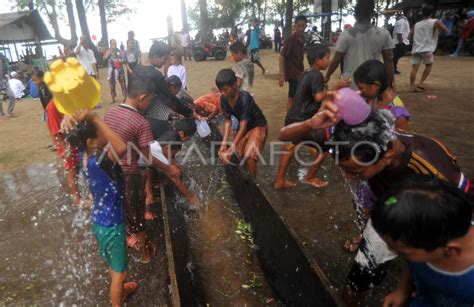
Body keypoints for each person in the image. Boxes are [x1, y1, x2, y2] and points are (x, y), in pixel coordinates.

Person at [279, 106, 473, 305]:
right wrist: (310, 123)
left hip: (426, 223)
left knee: (430, 280)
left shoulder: (434, 170)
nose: (348, 176)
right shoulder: (352, 136)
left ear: (386, 158)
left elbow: (464, 221)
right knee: (357, 281)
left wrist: (406, 287)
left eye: (356, 172)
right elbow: (285, 135)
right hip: (389, 209)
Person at [62, 109, 138, 306]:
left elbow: (73, 139)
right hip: (112, 225)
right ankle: (117, 294)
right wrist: (95, 118)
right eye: (102, 131)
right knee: (121, 272)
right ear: (91, 142)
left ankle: (120, 290)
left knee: (113, 263)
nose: (107, 132)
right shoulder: (102, 159)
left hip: (99, 222)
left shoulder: (84, 156)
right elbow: (121, 147)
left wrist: (71, 118)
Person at [104, 74, 180, 264]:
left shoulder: (111, 113)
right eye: (150, 100)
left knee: (121, 207)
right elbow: (147, 156)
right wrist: (168, 168)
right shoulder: (140, 122)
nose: (149, 105)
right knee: (137, 212)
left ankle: (130, 237)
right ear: (142, 97)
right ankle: (146, 252)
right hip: (129, 174)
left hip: (110, 171)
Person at [371, 175, 474, 307]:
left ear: (451, 250)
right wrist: (403, 291)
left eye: (403, 253)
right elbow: (412, 263)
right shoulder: (425, 242)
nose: (390, 251)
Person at [274, 44, 350, 190]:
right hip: (304, 119)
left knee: (290, 146)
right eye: (327, 57)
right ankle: (310, 177)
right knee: (326, 146)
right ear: (318, 60)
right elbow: (318, 97)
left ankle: (279, 180)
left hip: (292, 117)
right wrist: (337, 87)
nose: (329, 61)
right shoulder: (317, 75)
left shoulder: (305, 73)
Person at [325, 0, 394, 89]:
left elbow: (336, 59)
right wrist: (391, 81)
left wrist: (327, 76)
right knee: (371, 102)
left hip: (351, 82)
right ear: (372, 14)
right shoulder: (383, 33)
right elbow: (388, 60)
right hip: (373, 82)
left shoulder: (346, 34)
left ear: (355, 15)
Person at [216, 69, 267, 177]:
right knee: (238, 155)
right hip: (245, 127)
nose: (222, 93)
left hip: (258, 125)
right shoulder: (223, 98)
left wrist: (231, 148)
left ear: (234, 85)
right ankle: (243, 177)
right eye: (220, 90)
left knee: (249, 156)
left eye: (225, 89)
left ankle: (253, 183)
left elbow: (243, 126)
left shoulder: (245, 98)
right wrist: (223, 144)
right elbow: (227, 121)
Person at [133, 41, 194, 121]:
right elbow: (169, 99)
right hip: (145, 115)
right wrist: (189, 113)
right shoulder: (155, 75)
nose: (165, 62)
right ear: (156, 57)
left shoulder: (136, 68)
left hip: (133, 111)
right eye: (164, 59)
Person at [145, 119, 199, 206]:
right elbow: (175, 180)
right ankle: (149, 199)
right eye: (174, 153)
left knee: (147, 167)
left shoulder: (156, 143)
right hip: (129, 163)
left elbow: (167, 156)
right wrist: (190, 196)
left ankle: (149, 196)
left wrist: (176, 164)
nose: (173, 155)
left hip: (134, 156)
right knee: (149, 170)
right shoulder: (160, 155)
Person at [354, 59, 410, 131]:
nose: (359, 91)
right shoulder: (374, 99)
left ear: (376, 85)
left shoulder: (397, 113)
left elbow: (402, 140)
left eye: (361, 88)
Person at [409, 4, 448, 92]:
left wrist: (413, 43)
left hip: (416, 48)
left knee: (414, 68)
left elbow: (409, 36)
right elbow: (446, 30)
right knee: (429, 65)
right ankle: (421, 82)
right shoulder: (436, 22)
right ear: (431, 12)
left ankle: (411, 86)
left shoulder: (417, 24)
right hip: (427, 48)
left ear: (422, 13)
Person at [279, 15, 308, 111]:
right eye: (299, 26)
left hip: (299, 72)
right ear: (294, 26)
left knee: (293, 97)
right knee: (294, 98)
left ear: (306, 26)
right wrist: (282, 75)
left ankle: (290, 118)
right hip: (293, 74)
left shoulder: (301, 39)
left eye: (303, 26)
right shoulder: (290, 39)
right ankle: (290, 119)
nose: (301, 28)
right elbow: (282, 56)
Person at [103, 39, 127, 103]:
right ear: (110, 44)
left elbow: (124, 59)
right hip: (111, 71)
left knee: (123, 83)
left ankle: (125, 97)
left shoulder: (120, 51)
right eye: (112, 43)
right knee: (111, 84)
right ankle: (113, 98)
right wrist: (109, 51)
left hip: (119, 70)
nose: (114, 44)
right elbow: (104, 58)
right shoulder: (108, 51)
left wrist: (119, 61)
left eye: (115, 43)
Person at [392, 8, 412, 74]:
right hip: (399, 42)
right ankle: (393, 68)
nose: (411, 13)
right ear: (407, 12)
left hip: (403, 41)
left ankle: (393, 68)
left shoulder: (405, 21)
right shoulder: (402, 21)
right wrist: (401, 42)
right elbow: (399, 33)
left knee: (397, 56)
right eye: (410, 12)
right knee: (396, 56)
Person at [0, 53, 16, 118]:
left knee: (12, 95)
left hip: (3, 81)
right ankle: (1, 112)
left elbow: (6, 62)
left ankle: (10, 111)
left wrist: (5, 73)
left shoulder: (0, 55)